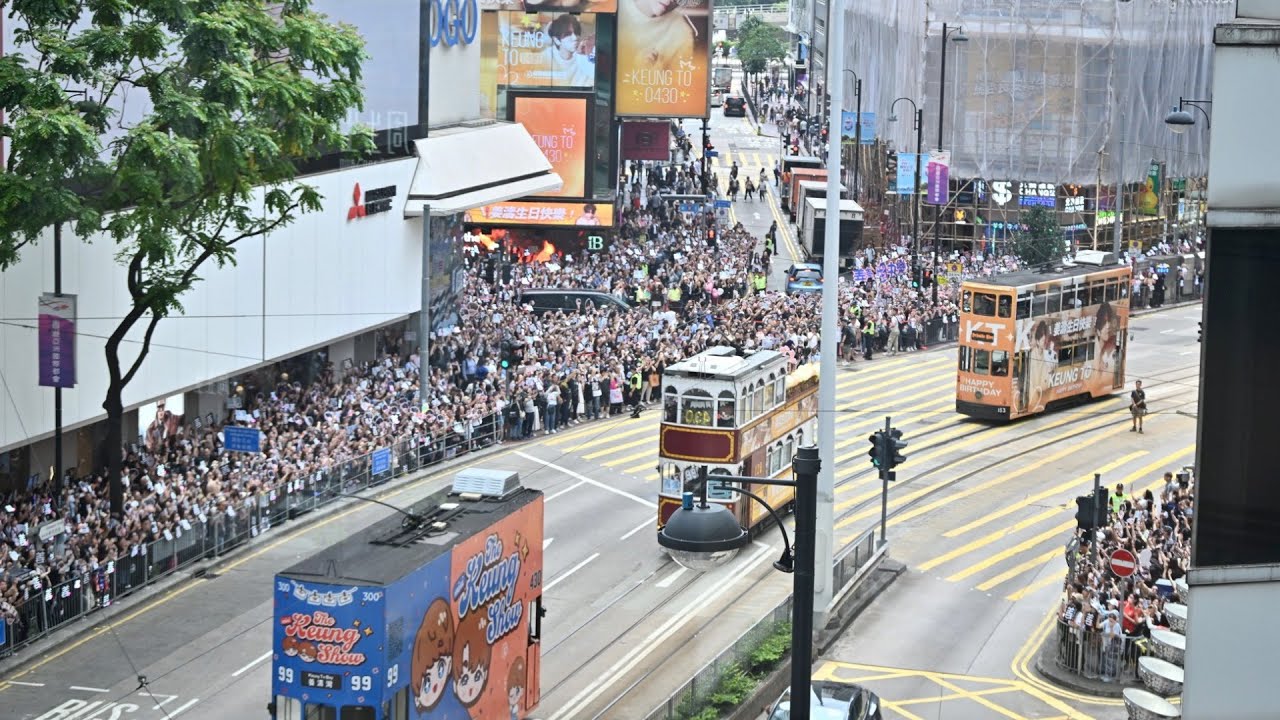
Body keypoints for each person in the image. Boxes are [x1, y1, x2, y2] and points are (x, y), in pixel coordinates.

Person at [544, 15, 596, 87]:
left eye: (576, 33)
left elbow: (591, 82)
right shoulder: (546, 55)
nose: (575, 38)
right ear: (556, 40)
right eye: (568, 34)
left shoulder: (584, 59)